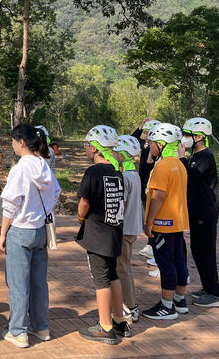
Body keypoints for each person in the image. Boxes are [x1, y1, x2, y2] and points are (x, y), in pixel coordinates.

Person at [0, 124, 59, 349]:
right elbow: (56, 192)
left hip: (20, 231)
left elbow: (10, 203)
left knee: (17, 283)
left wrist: (3, 233)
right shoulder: (44, 165)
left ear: (21, 142)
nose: (12, 144)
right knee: (38, 282)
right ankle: (41, 326)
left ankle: (18, 331)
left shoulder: (20, 168)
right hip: (40, 231)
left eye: (13, 140)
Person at [76, 125, 128, 345]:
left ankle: (105, 327)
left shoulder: (93, 172)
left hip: (97, 236)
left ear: (95, 148)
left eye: (87, 145)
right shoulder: (117, 172)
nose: (86, 149)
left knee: (101, 279)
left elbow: (84, 203)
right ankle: (119, 321)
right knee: (113, 275)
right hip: (114, 232)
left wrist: (80, 219)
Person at [142, 123, 190, 321]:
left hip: (163, 222)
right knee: (179, 259)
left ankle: (167, 306)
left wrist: (149, 222)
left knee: (166, 263)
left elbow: (158, 197)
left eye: (152, 143)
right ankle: (179, 299)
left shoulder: (162, 166)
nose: (150, 146)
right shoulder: (179, 164)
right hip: (178, 221)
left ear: (161, 144)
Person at [179, 117, 219, 308]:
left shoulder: (206, 157)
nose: (185, 138)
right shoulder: (196, 156)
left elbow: (191, 176)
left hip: (205, 213)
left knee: (206, 251)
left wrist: (181, 158)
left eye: (188, 135)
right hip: (197, 212)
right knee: (197, 250)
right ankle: (207, 287)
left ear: (199, 136)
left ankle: (215, 294)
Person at [114, 135, 144, 324]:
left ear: (124, 155)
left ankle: (131, 307)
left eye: (117, 151)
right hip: (132, 227)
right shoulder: (134, 174)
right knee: (123, 266)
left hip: (125, 229)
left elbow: (121, 205)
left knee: (122, 268)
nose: (114, 154)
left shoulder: (125, 177)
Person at [132, 119, 160, 259]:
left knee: (151, 216)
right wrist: (140, 127)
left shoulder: (156, 148)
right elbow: (132, 139)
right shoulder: (145, 145)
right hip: (142, 185)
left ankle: (153, 244)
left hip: (151, 187)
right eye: (144, 132)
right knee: (146, 215)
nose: (145, 136)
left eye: (147, 133)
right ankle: (151, 243)